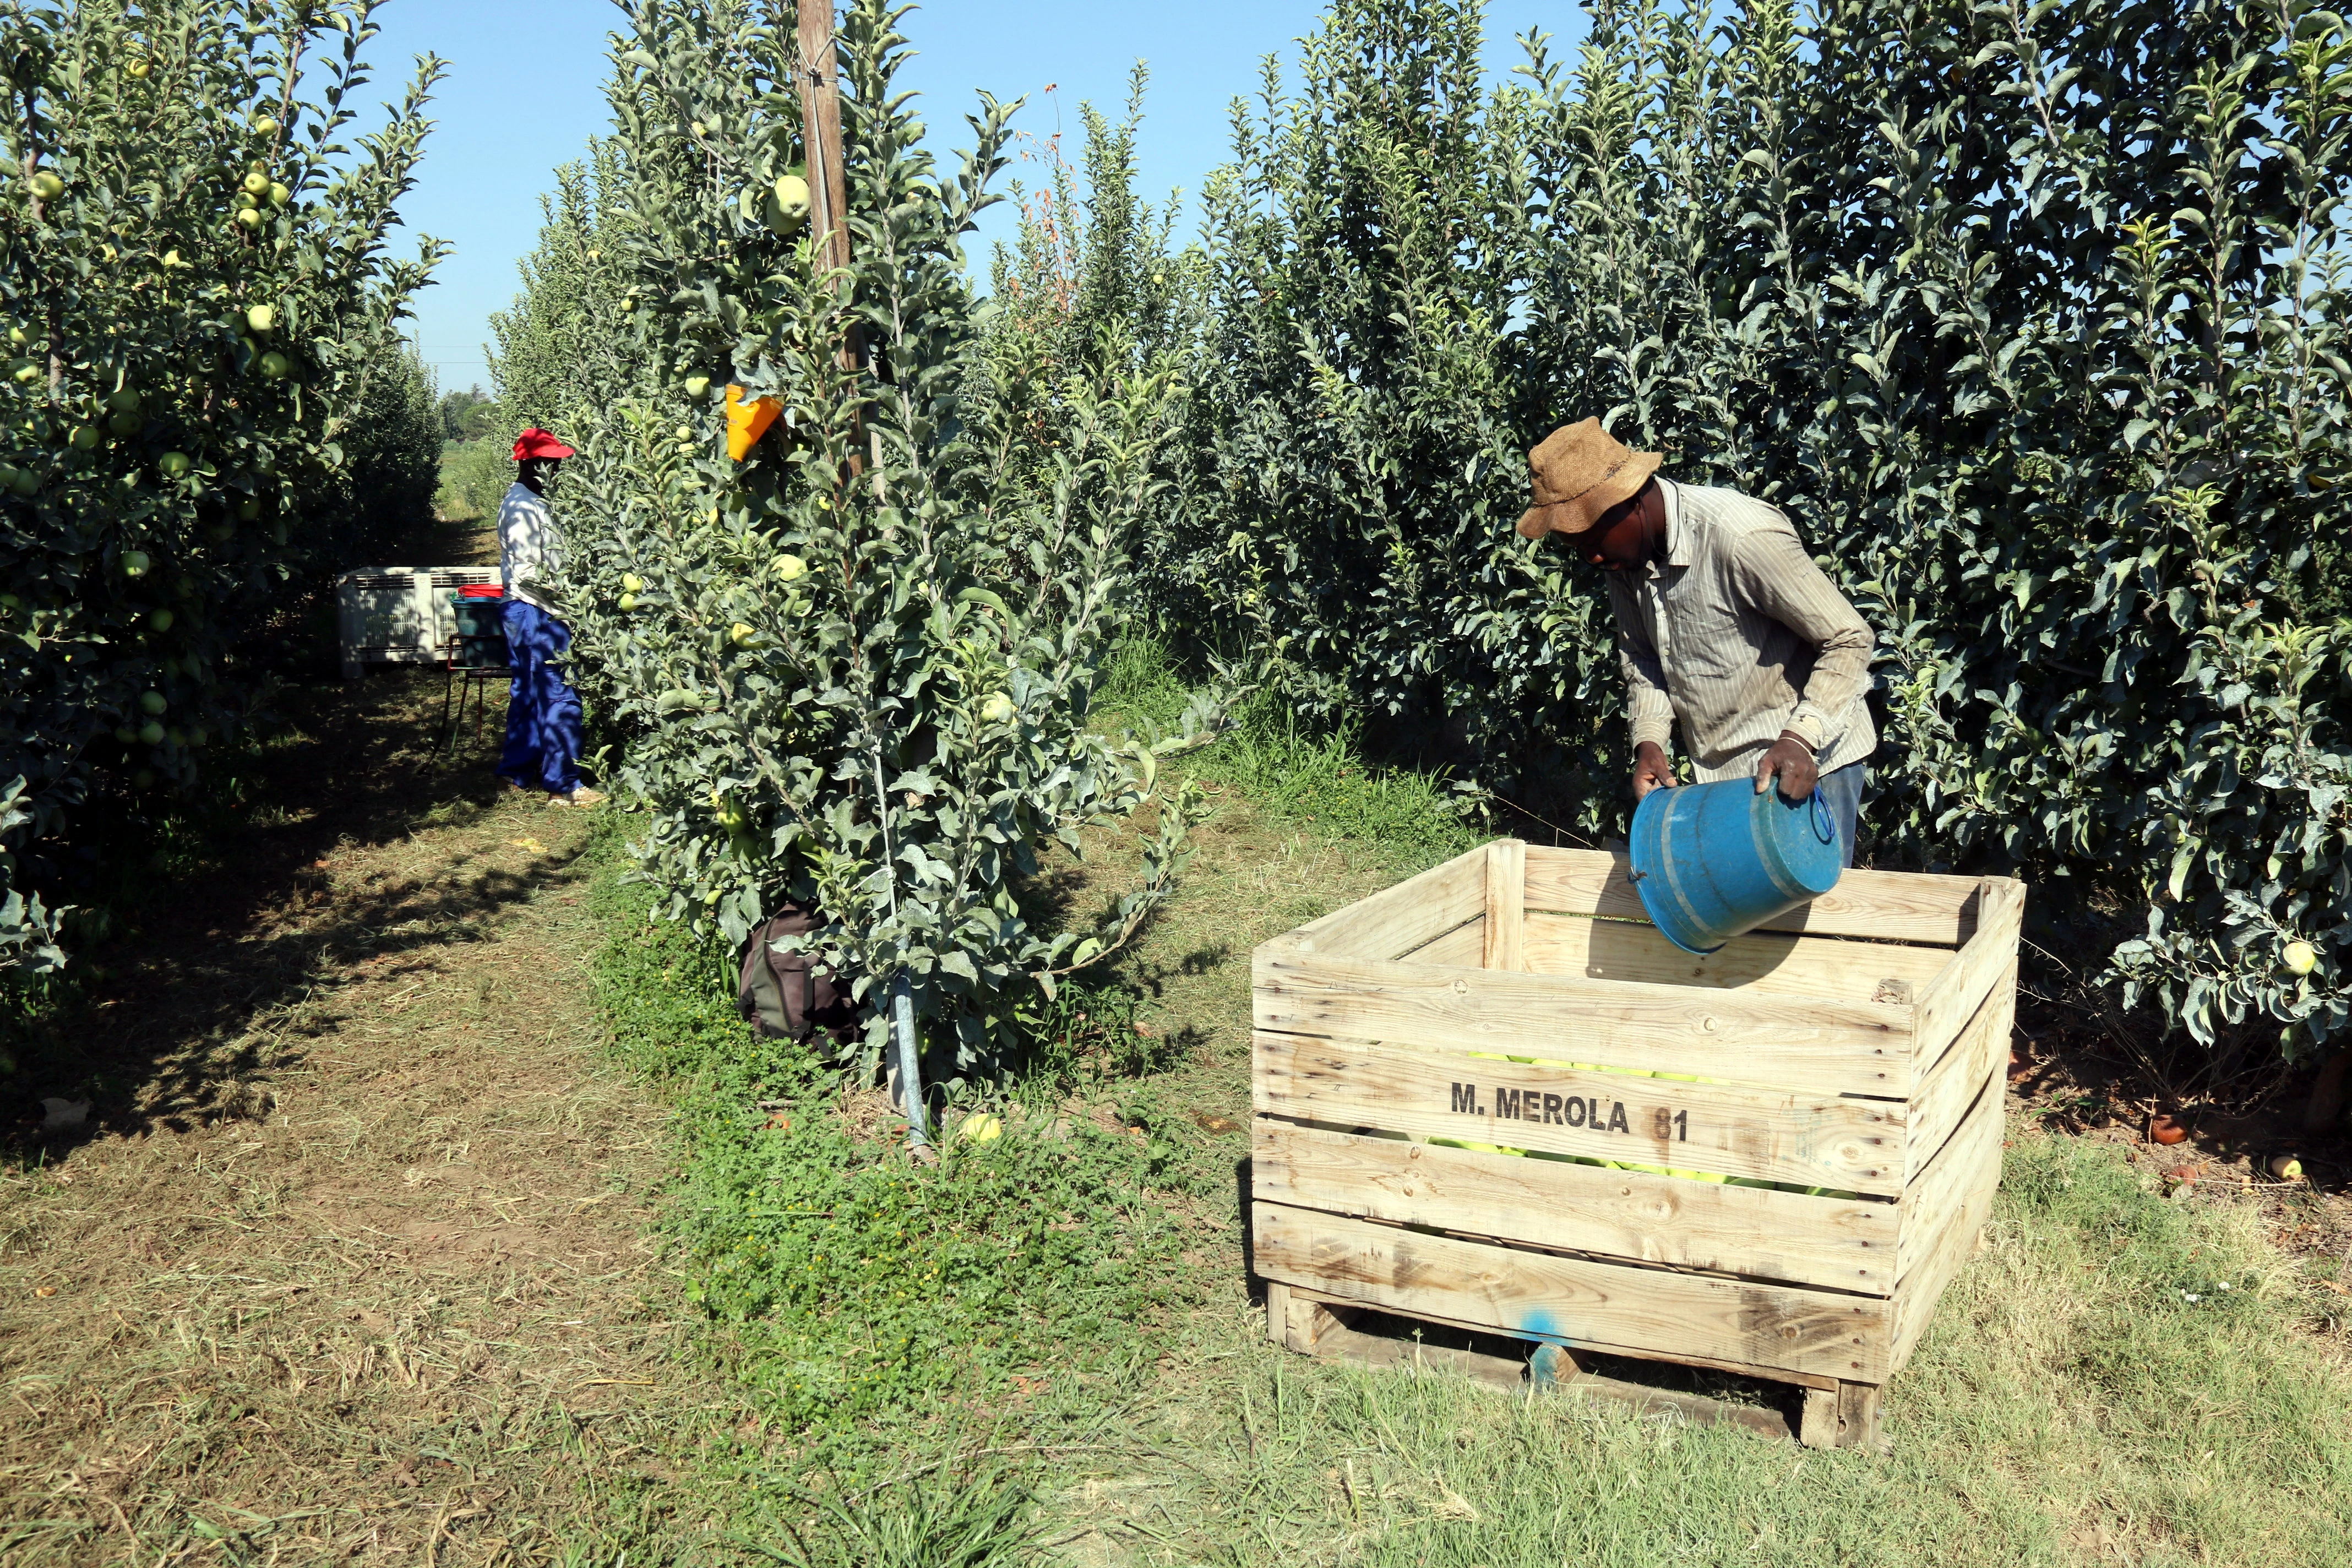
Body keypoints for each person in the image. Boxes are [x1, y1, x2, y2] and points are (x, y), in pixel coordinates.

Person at [1516, 418, 1874, 865]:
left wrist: (1801, 739)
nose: (1591, 557)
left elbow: (1848, 637)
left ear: (1631, 501)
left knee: (1807, 915)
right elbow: (1643, 657)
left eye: (1592, 538)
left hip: (1807, 762)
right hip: (1725, 776)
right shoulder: (1624, 561)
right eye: (1576, 546)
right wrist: (1649, 741)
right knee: (1750, 919)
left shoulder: (1740, 537)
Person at [496, 428, 602, 805]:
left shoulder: (530, 500)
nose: (557, 468)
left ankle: (518, 769)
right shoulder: (524, 509)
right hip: (538, 610)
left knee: (527, 691)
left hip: (525, 608)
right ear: (533, 463)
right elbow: (529, 575)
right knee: (559, 694)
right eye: (552, 462)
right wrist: (572, 602)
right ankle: (565, 785)